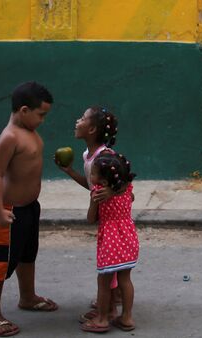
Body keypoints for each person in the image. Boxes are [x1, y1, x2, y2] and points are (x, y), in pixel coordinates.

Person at [0, 81, 57, 337]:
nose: (43, 120)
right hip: (9, 211)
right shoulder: (9, 137)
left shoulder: (30, 132)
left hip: (29, 208)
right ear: (24, 110)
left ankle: (28, 297)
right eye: (41, 114)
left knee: (27, 255)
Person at [55, 106, 122, 320]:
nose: (77, 121)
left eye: (82, 118)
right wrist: (71, 171)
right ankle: (110, 300)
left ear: (92, 129)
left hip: (113, 219)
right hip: (104, 219)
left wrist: (111, 190)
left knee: (109, 265)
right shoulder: (88, 156)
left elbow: (126, 189)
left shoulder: (106, 157)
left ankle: (109, 307)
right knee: (109, 263)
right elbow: (92, 185)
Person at [80, 152, 138, 333]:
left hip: (110, 243)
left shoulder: (98, 193)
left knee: (103, 282)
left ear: (104, 182)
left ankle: (102, 318)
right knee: (125, 280)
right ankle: (127, 317)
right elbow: (130, 194)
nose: (91, 176)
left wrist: (93, 202)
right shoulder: (127, 189)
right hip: (128, 238)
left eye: (94, 173)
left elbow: (91, 219)